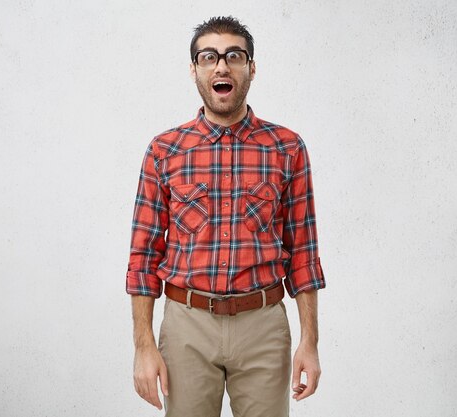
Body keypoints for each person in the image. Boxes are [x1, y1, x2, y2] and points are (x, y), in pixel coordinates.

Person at [126, 16, 326, 417]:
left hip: (263, 326)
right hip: (187, 326)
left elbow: (302, 253)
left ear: (251, 68)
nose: (222, 66)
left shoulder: (287, 149)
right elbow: (143, 257)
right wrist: (143, 347)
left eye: (234, 56)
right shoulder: (164, 151)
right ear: (194, 69)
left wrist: (310, 342)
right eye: (209, 57)